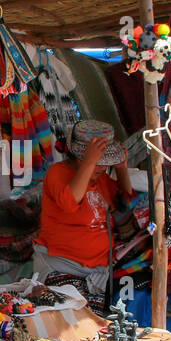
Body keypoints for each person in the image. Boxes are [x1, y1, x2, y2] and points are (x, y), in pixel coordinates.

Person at [33, 120, 134, 299]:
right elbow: (69, 202)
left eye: (105, 163)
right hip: (62, 266)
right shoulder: (57, 173)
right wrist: (90, 163)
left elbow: (124, 204)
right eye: (98, 162)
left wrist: (121, 168)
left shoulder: (102, 179)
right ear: (79, 158)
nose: (102, 168)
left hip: (97, 272)